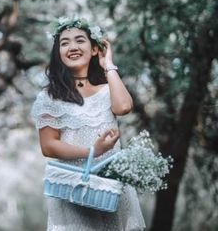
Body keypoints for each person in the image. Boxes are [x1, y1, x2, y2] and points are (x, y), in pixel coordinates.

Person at [31, 17, 146, 231]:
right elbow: (48, 146)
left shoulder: (107, 89)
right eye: (64, 43)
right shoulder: (49, 97)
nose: (72, 47)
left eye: (79, 40)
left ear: (94, 49)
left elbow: (123, 107)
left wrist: (108, 65)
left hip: (112, 190)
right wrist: (92, 151)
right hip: (73, 191)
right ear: (58, 53)